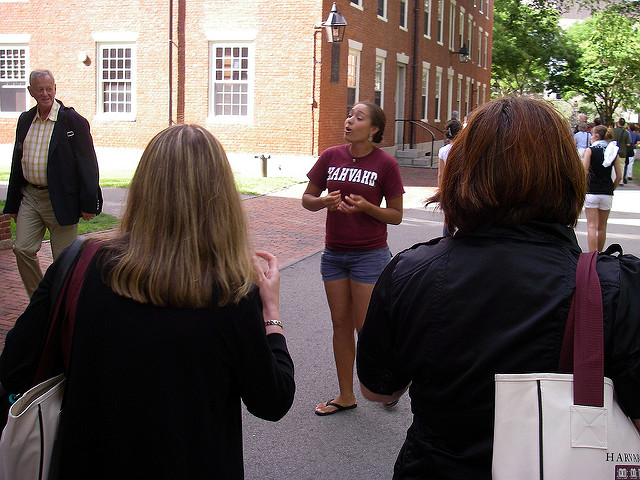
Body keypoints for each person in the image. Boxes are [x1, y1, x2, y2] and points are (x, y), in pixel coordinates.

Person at [357, 96, 640, 479]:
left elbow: (379, 390)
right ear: (566, 173)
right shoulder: (617, 286)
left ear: (461, 171)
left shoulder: (411, 271)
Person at [0, 124, 295, 479]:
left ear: (143, 187)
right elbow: (272, 401)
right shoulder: (232, 291)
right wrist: (272, 315)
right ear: (221, 197)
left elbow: (15, 366)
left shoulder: (80, 263)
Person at [302, 101, 404, 416]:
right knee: (340, 324)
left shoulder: (385, 164)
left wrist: (367, 208)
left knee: (366, 328)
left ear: (373, 129)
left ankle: (387, 383)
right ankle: (346, 396)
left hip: (369, 256)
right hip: (334, 254)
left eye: (358, 117)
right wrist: (323, 203)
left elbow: (396, 216)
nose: (349, 120)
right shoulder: (331, 156)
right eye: (349, 114)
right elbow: (307, 198)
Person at [3, 69, 102, 298]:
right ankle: (41, 300)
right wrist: (12, 204)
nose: (46, 93)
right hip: (30, 196)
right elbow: (17, 163)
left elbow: (88, 165)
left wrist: (89, 203)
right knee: (22, 249)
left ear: (55, 88)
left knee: (64, 259)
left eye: (49, 88)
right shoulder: (25, 119)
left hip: (62, 199)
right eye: (40, 89)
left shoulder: (72, 121)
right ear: (31, 91)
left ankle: (62, 303)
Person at [583, 125, 622, 252]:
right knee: (602, 227)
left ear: (596, 136)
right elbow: (619, 176)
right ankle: (600, 254)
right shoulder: (612, 151)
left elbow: (585, 171)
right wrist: (612, 188)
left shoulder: (590, 150)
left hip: (592, 191)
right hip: (606, 192)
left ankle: (592, 256)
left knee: (591, 226)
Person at [438, 119, 463, 235]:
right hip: (462, 186)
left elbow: (440, 174)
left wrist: (440, 191)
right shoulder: (464, 150)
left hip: (448, 188)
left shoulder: (443, 151)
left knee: (449, 218)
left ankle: (446, 240)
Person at [613, 117, 631, 184]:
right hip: (622, 151)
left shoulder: (613, 130)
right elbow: (628, 144)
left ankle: (614, 179)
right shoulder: (626, 133)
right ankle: (620, 181)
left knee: (613, 166)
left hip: (614, 151)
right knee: (621, 166)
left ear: (618, 123)